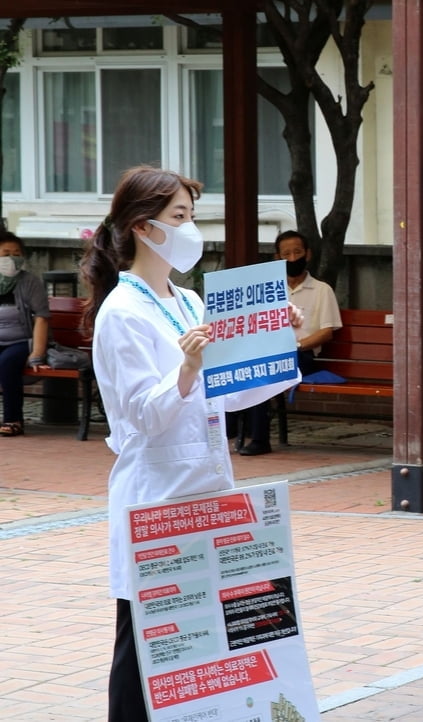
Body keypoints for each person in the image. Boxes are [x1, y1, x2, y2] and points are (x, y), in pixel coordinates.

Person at [79, 166, 302, 721]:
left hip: (206, 487)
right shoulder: (121, 312)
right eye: (178, 217)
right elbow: (139, 417)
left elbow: (227, 395)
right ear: (142, 227)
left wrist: (279, 340)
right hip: (155, 498)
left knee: (206, 639)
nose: (189, 229)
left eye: (191, 217)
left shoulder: (189, 301)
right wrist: (185, 369)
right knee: (144, 645)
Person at [229, 229, 342, 456]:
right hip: (269, 352)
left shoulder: (322, 290)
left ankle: (259, 439)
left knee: (262, 371)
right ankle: (228, 433)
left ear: (307, 254)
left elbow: (327, 332)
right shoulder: (268, 291)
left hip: (303, 355)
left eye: (297, 252)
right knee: (236, 368)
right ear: (277, 258)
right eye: (286, 254)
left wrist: (296, 346)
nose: (292, 259)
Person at [0, 231, 50, 437]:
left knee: (7, 362)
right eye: (5, 253)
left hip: (21, 341)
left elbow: (42, 318)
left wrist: (36, 354)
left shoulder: (30, 282)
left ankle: (13, 419)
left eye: (16, 253)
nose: (12, 257)